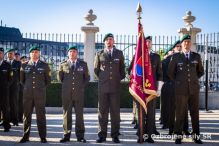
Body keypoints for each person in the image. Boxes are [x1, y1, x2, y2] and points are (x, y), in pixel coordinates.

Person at [168, 34, 204, 144]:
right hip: (180, 90)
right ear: (182, 44)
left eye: (188, 41)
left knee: (195, 113)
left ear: (191, 43)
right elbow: (170, 73)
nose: (187, 43)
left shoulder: (196, 56)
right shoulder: (176, 57)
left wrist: (192, 80)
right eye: (185, 42)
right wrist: (179, 82)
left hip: (194, 89)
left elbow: (201, 71)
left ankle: (196, 136)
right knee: (179, 113)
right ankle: (178, 136)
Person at [94, 33, 125, 143]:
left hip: (115, 88)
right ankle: (101, 135)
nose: (109, 41)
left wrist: (115, 80)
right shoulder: (99, 54)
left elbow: (122, 71)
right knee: (102, 112)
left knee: (115, 113)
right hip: (103, 88)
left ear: (114, 41)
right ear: (104, 42)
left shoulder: (119, 53)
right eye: (107, 40)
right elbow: (96, 70)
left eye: (111, 39)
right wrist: (104, 79)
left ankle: (115, 135)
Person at [19, 46, 51, 143]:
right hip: (27, 94)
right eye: (32, 52)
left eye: (36, 52)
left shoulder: (45, 65)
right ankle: (25, 136)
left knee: (41, 116)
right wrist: (28, 88)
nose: (34, 54)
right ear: (30, 54)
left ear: (39, 53)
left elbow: (48, 80)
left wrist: (40, 88)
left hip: (40, 95)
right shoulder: (24, 65)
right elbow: (22, 80)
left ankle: (42, 136)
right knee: (26, 116)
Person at [58, 46, 90, 143]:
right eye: (70, 51)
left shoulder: (83, 64)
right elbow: (60, 78)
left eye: (74, 51)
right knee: (67, 115)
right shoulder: (63, 64)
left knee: (79, 115)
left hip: (78, 94)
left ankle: (80, 136)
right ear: (68, 53)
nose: (72, 53)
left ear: (77, 53)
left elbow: (87, 77)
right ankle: (66, 135)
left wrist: (81, 86)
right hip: (66, 94)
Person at [162, 41, 190, 135]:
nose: (178, 47)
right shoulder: (166, 60)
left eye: (179, 46)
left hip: (183, 87)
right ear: (173, 48)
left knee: (184, 109)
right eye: (177, 46)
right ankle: (171, 129)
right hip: (171, 86)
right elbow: (163, 74)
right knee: (172, 109)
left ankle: (185, 129)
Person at [143, 36, 163, 143]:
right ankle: (141, 135)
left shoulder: (156, 57)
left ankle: (149, 136)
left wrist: (159, 88)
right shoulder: (138, 56)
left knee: (151, 114)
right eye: (146, 42)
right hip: (140, 90)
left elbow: (160, 74)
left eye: (149, 42)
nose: (148, 43)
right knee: (141, 114)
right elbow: (130, 70)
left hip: (152, 90)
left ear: (151, 44)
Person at [6, 48, 21, 126]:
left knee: (14, 103)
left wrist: (18, 83)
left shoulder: (18, 63)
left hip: (15, 87)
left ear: (14, 54)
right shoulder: (4, 63)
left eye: (11, 53)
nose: (10, 55)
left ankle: (15, 120)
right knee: (5, 104)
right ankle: (5, 120)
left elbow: (20, 75)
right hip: (5, 87)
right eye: (8, 53)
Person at [0, 47, 12, 132]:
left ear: (3, 54)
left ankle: (6, 125)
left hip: (4, 91)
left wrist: (6, 86)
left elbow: (10, 78)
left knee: (5, 108)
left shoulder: (7, 65)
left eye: (0, 53)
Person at [18, 56, 28, 122]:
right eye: (23, 60)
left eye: (25, 60)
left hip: (27, 88)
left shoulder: (29, 67)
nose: (24, 61)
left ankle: (24, 117)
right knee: (19, 103)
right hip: (19, 87)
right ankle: (19, 117)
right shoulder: (19, 67)